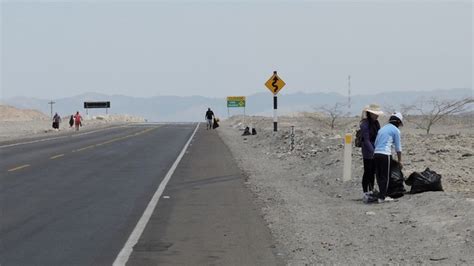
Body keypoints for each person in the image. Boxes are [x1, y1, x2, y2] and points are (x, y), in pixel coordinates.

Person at [373, 112, 404, 203]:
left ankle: (381, 194)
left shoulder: (382, 129)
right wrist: (400, 160)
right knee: (385, 176)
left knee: (379, 175)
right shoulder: (395, 130)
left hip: (376, 154)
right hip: (385, 154)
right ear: (398, 122)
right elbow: (398, 147)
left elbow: (376, 143)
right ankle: (383, 197)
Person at [359, 104, 383, 202]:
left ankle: (371, 190)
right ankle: (366, 191)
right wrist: (373, 152)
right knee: (367, 171)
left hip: (375, 148)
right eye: (375, 114)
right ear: (370, 113)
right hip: (368, 151)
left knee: (373, 171)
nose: (377, 116)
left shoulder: (376, 123)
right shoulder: (364, 124)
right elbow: (366, 139)